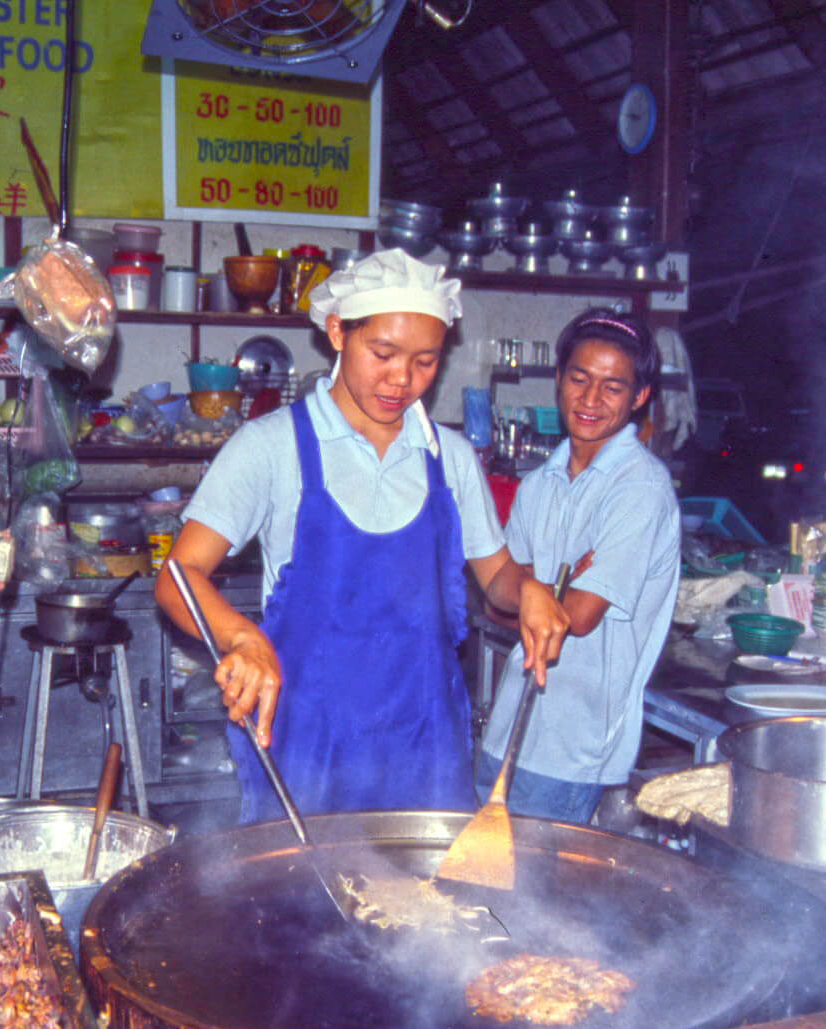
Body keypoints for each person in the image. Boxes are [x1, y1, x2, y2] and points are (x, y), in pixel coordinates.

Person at [153, 249, 572, 823]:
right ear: (336, 332)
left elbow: (495, 574)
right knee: (302, 905)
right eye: (383, 354)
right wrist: (240, 637)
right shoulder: (269, 447)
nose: (402, 380)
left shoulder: (447, 458)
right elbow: (178, 577)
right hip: (308, 748)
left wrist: (526, 587)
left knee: (434, 909)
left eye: (425, 362)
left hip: (424, 748)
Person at [475, 307, 681, 823]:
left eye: (612, 388)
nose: (590, 400)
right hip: (506, 733)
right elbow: (496, 593)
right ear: (559, 381)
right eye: (579, 379)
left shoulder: (639, 488)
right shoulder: (540, 481)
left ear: (639, 398)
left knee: (536, 901)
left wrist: (529, 590)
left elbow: (578, 617)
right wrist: (545, 588)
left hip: (571, 751)